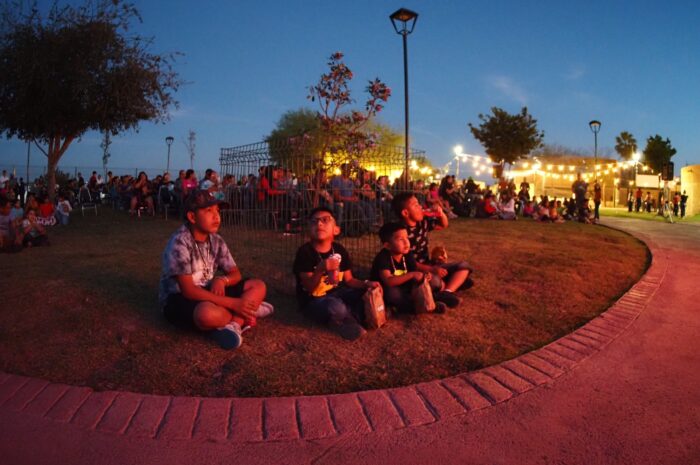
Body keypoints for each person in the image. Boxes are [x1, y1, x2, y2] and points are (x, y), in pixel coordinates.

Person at [159, 189, 272, 350]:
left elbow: (235, 274)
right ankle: (248, 312)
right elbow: (189, 291)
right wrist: (234, 303)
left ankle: (234, 324)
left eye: (218, 211)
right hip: (179, 299)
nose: (216, 216)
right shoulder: (179, 243)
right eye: (208, 211)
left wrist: (221, 279)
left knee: (258, 285)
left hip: (209, 290)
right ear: (192, 217)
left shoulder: (216, 240)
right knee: (206, 315)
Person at [292, 207, 381, 341]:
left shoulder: (339, 250)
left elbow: (349, 280)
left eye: (325, 220)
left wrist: (367, 284)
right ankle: (350, 320)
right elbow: (310, 288)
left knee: (365, 294)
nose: (319, 224)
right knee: (336, 307)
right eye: (314, 221)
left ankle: (342, 320)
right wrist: (320, 269)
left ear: (336, 229)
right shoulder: (305, 252)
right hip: (314, 300)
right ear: (308, 229)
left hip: (339, 293)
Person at [392, 192, 472, 308]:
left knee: (464, 265)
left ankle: (446, 292)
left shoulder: (422, 222)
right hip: (416, 271)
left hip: (430, 265)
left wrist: (441, 214)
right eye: (415, 205)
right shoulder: (401, 233)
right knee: (435, 281)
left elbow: (443, 225)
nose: (420, 207)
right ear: (405, 213)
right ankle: (448, 285)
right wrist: (432, 269)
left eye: (419, 204)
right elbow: (407, 262)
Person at [371, 222, 447, 314]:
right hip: (388, 290)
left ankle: (428, 301)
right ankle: (424, 306)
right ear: (388, 245)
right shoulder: (383, 257)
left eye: (407, 238)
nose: (406, 242)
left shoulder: (407, 254)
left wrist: (425, 275)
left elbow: (415, 271)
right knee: (393, 294)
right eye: (400, 239)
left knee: (435, 281)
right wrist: (412, 275)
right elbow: (389, 281)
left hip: (407, 288)